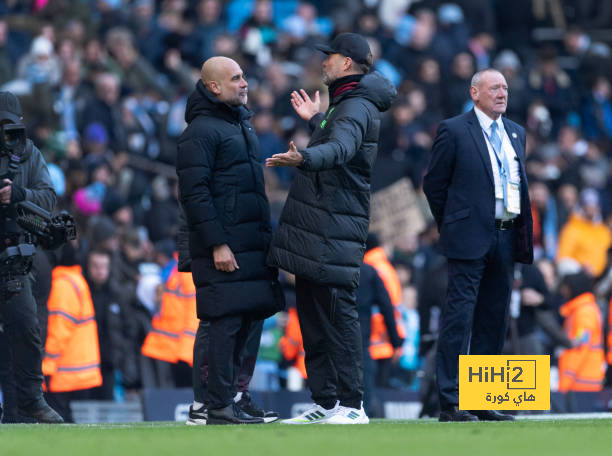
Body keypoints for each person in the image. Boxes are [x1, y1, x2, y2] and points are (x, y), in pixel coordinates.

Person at [266, 33, 396, 425]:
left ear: (347, 63)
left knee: (337, 316)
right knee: (313, 316)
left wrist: (303, 156)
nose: (323, 62)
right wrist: (317, 121)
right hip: (321, 227)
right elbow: (340, 138)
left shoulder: (356, 106)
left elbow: (340, 150)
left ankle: (352, 405)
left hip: (334, 228)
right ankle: (325, 401)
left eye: (330, 56)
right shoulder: (346, 105)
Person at [176, 56, 283, 425]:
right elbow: (195, 194)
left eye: (244, 77)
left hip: (249, 243)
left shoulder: (241, 126)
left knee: (248, 318)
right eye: (235, 78)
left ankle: (233, 398)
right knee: (223, 323)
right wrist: (217, 243)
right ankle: (213, 404)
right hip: (225, 247)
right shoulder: (201, 132)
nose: (244, 83)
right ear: (214, 87)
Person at [423, 69, 533, 422]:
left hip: (506, 234)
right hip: (468, 236)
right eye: (494, 87)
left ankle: (482, 399)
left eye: (505, 87)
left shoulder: (517, 132)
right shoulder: (454, 130)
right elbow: (434, 185)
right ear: (475, 93)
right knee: (459, 318)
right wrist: (454, 222)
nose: (502, 93)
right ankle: (450, 402)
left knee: (494, 318)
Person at [0, 91, 63, 423]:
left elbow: (49, 199)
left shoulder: (29, 154)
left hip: (14, 255)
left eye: (10, 125)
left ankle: (31, 400)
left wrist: (18, 194)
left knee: (26, 326)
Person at [42, 242, 103, 422]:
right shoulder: (75, 280)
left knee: (59, 422)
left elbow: (60, 329)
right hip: (75, 368)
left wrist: (47, 365)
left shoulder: (63, 285)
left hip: (64, 370)